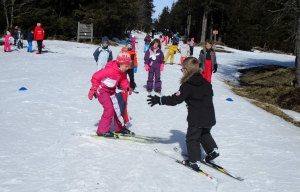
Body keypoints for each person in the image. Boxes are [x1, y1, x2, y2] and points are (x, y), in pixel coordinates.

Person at [146, 57, 219, 171]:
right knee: (204, 133)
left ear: (186, 70)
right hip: (209, 117)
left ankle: (194, 162)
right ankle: (212, 150)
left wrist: (159, 100)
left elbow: (175, 100)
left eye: (182, 69)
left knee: (192, 138)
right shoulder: (206, 83)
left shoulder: (187, 85)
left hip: (196, 118)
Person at [88, 47, 133, 137]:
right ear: (120, 64)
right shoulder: (110, 70)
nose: (127, 68)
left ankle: (119, 128)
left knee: (118, 108)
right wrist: (93, 89)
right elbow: (96, 76)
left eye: (128, 66)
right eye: (126, 66)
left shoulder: (122, 72)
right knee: (109, 109)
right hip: (102, 90)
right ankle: (102, 131)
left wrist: (126, 87)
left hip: (111, 91)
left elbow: (123, 81)